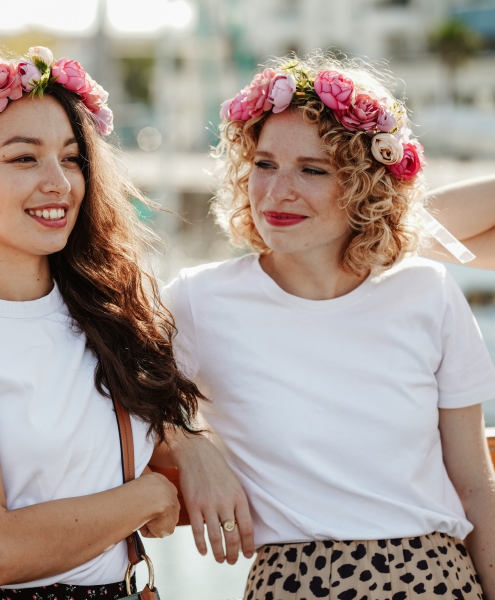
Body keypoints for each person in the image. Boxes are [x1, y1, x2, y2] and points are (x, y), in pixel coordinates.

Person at [0, 47, 249, 600]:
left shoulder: (111, 318)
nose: (59, 183)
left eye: (71, 158)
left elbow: (130, 435)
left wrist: (186, 441)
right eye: (25, 159)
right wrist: (144, 499)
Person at [164, 53, 495, 599]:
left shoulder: (426, 291)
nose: (276, 191)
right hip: (295, 584)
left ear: (364, 186)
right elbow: (119, 393)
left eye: (312, 169)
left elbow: (476, 486)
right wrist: (190, 443)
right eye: (264, 164)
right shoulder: (199, 300)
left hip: (440, 579)